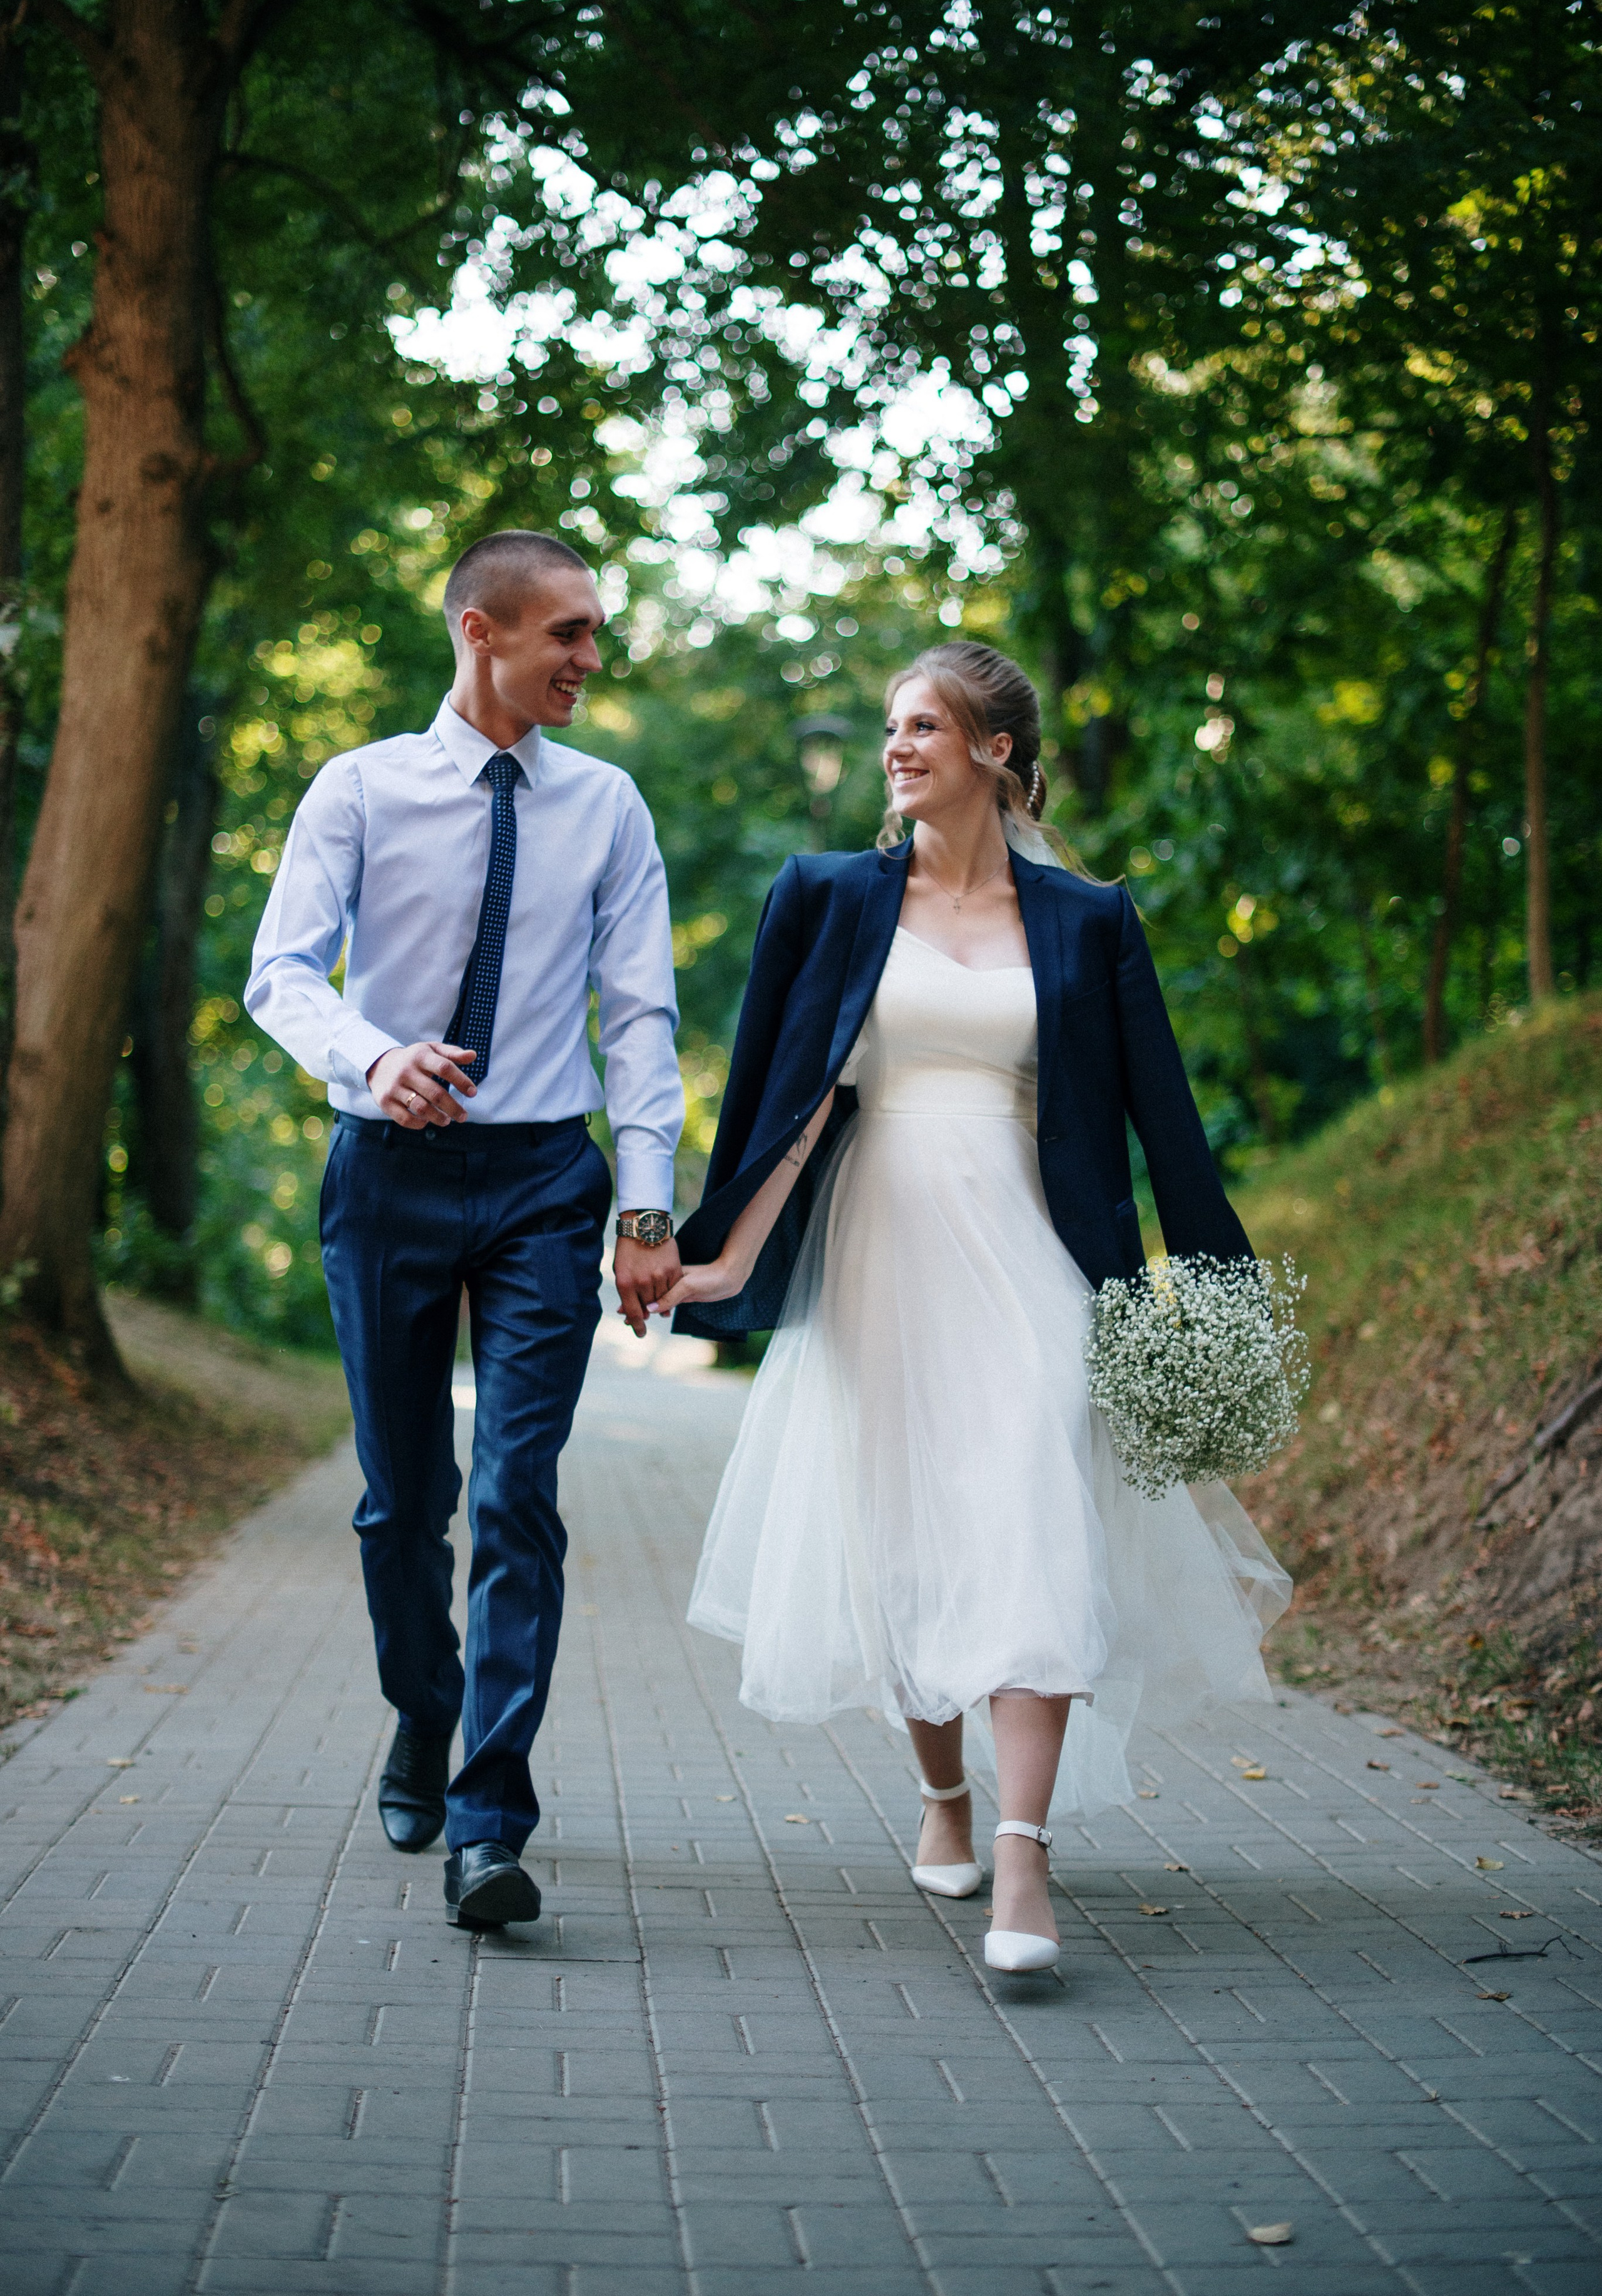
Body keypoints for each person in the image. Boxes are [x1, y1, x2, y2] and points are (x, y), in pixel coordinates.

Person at [655, 643, 1289, 1974]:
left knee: (1028, 1513)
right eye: (890, 725)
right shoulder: (822, 899)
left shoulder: (1087, 920)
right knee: (905, 1539)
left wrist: (1218, 1305)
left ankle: (1020, 1859)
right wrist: (715, 1261)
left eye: (924, 725)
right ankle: (940, 1795)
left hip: (1033, 1256)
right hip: (876, 1251)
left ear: (993, 752)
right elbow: (785, 1104)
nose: (897, 747)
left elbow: (1158, 1121)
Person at [245, 531, 683, 1929]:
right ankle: (421, 1714)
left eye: (594, 634)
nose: (590, 661)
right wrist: (376, 1059)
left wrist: (644, 1201)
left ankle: (491, 1818)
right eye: (567, 634)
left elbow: (641, 1013)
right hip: (384, 1175)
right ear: (482, 630)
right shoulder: (361, 787)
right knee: (401, 1502)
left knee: (513, 1497)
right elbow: (278, 972)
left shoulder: (607, 805)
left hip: (544, 1184)